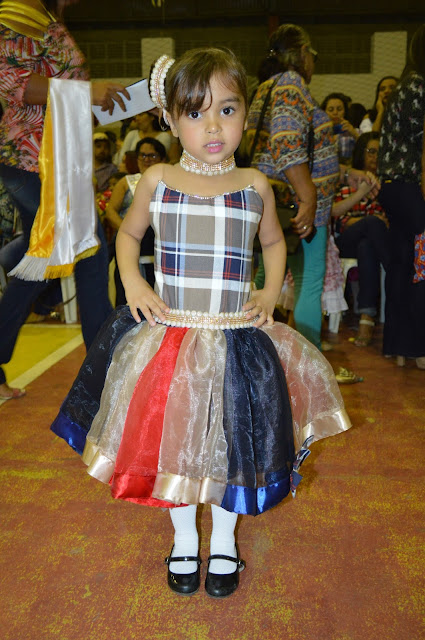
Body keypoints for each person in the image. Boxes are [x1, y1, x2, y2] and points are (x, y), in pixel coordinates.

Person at [51, 47, 351, 599]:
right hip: (172, 340)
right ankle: (185, 538)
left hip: (236, 340)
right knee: (179, 446)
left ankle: (226, 542)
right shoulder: (157, 178)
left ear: (245, 115)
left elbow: (273, 242)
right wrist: (134, 282)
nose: (213, 126)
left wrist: (269, 290)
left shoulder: (255, 185)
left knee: (232, 447)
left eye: (227, 110)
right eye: (196, 112)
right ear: (170, 119)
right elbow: (128, 235)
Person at [0, 0, 129, 400]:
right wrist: (87, 91)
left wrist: (96, 101)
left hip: (57, 160)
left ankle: (103, 372)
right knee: (87, 254)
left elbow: (54, 90)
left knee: (47, 258)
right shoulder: (16, 12)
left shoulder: (46, 18)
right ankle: (104, 374)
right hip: (32, 159)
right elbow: (13, 83)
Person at [247, 24, 377, 350]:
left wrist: (345, 173)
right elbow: (287, 143)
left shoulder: (266, 88)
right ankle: (307, 363)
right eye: (313, 54)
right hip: (300, 205)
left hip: (274, 202)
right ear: (303, 52)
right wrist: (308, 198)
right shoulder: (291, 85)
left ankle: (258, 352)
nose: (313, 62)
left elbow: (299, 151)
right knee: (309, 280)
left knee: (270, 277)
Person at [378, 25, 425, 369]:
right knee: (421, 263)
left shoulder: (406, 85)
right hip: (410, 186)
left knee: (402, 262)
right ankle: (418, 347)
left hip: (392, 186)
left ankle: (397, 345)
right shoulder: (420, 86)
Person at [332, 132, 388, 346]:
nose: (375, 157)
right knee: (372, 224)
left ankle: (367, 316)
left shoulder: (385, 184)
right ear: (360, 153)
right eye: (371, 151)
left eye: (380, 152)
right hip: (344, 242)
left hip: (370, 245)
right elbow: (338, 221)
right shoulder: (347, 181)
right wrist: (368, 221)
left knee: (367, 245)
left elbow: (388, 222)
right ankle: (394, 267)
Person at [105, 137, 166, 304]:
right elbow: (110, 211)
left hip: (160, 246)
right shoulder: (126, 182)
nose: (146, 160)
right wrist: (130, 232)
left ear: (162, 159)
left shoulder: (170, 183)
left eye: (152, 156)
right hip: (132, 246)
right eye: (142, 155)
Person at [321, 92, 358, 163]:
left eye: (339, 109)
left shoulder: (354, 131)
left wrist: (355, 134)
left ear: (345, 111)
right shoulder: (319, 133)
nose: (335, 113)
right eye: (331, 110)